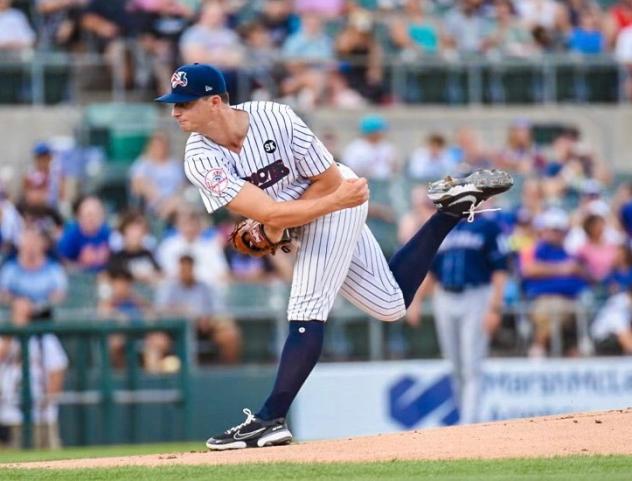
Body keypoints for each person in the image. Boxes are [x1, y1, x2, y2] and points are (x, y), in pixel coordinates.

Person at [155, 63, 513, 450]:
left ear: (215, 102)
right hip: (317, 207)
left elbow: (326, 184)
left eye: (184, 103)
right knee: (391, 304)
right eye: (174, 104)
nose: (175, 112)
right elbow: (269, 215)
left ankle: (270, 418)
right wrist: (282, 224)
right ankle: (451, 212)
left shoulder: (273, 116)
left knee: (307, 306)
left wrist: (289, 220)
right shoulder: (199, 157)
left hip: (341, 196)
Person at [411, 213, 509, 424]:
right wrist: (416, 300)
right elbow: (433, 272)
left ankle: (469, 422)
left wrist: (495, 308)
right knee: (455, 365)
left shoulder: (489, 227)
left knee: (471, 364)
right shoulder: (447, 226)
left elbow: (501, 269)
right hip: (444, 297)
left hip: (476, 295)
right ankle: (465, 418)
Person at [155, 254, 241, 363]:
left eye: (188, 268)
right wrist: (180, 312)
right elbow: (160, 311)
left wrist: (207, 318)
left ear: (193, 268)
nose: (185, 272)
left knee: (229, 335)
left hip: (204, 330)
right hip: (174, 331)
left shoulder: (205, 287)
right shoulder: (169, 288)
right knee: (156, 341)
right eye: (182, 268)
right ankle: (157, 377)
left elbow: (219, 310)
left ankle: (227, 375)